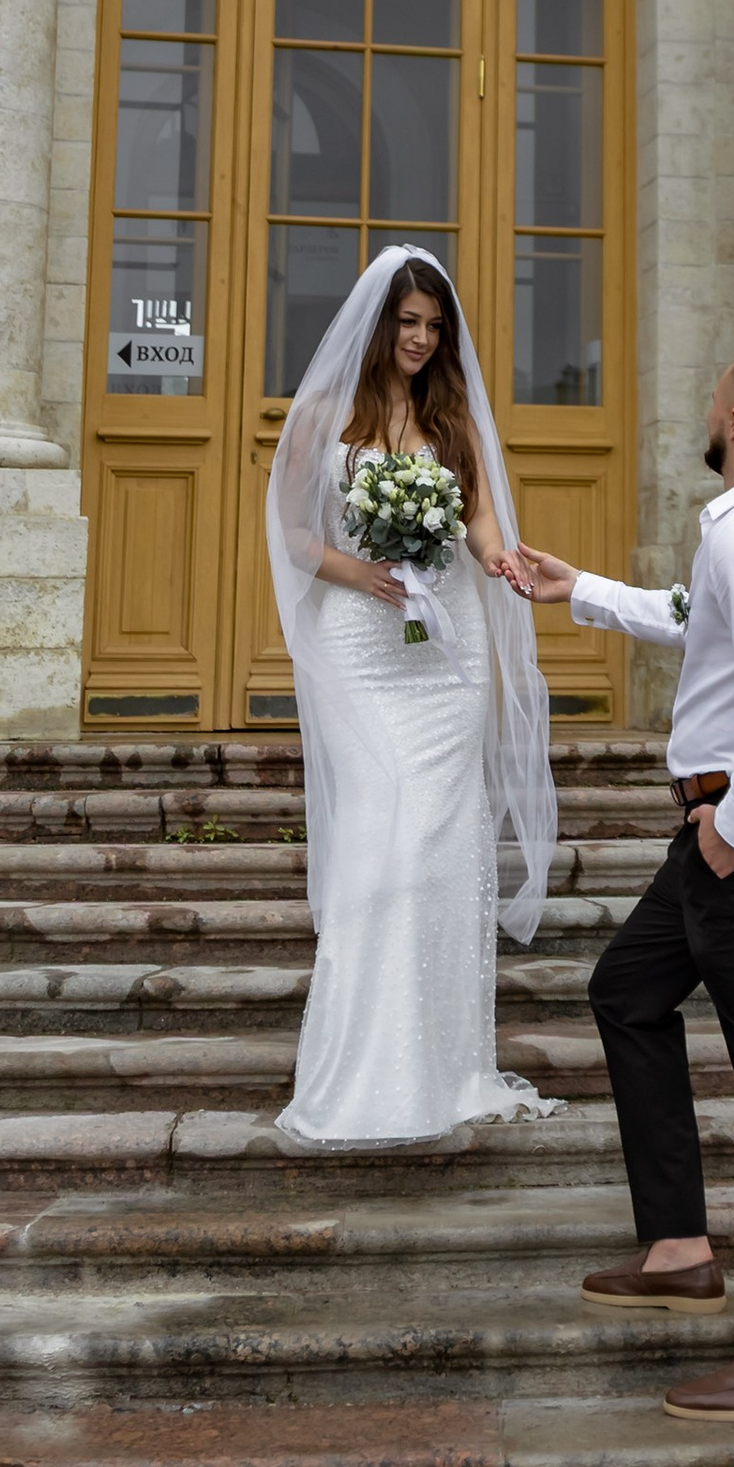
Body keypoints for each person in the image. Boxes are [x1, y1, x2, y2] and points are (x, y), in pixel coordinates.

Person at [517, 347, 734, 1424]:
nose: (705, 414)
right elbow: (699, 620)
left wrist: (733, 827)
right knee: (627, 992)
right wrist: (581, 590)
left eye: (713, 402)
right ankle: (676, 1249)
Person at [264, 246, 558, 1145]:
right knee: (381, 841)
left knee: (441, 842)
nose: (422, 340)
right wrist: (369, 574)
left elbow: (478, 521)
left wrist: (501, 559)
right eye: (408, 323)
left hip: (447, 653)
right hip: (364, 645)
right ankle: (363, 1066)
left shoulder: (455, 420)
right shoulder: (323, 417)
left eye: (435, 325)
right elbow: (294, 539)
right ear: (377, 324)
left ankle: (443, 1064)